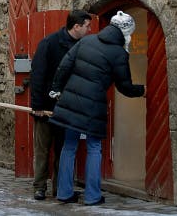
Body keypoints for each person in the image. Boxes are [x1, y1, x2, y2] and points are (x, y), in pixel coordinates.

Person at [49, 11, 145, 206]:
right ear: (126, 33)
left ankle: (64, 193)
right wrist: (141, 90)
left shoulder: (87, 41)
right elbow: (124, 86)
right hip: (93, 105)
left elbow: (64, 65)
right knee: (94, 147)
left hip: (71, 101)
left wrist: (56, 89)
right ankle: (92, 196)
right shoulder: (119, 53)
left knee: (69, 146)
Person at [29, 10, 92, 200]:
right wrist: (37, 105)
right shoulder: (49, 43)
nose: (90, 30)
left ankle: (61, 188)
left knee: (63, 150)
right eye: (87, 26)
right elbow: (38, 75)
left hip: (67, 108)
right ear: (77, 26)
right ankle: (39, 186)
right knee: (42, 149)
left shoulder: (82, 46)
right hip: (46, 107)